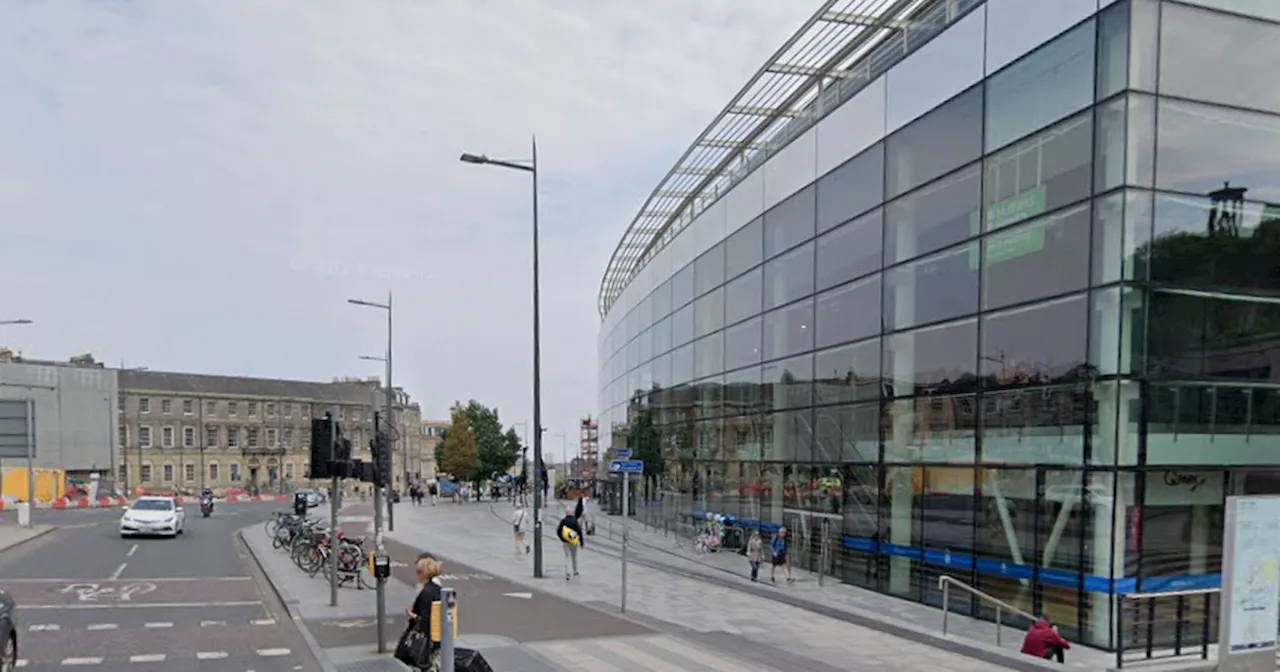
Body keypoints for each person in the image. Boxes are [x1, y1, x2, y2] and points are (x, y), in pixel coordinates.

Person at [403, 554, 444, 671]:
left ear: (422, 573)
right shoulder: (439, 589)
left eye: (417, 572)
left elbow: (425, 620)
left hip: (427, 641)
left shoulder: (426, 592)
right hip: (439, 637)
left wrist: (412, 615)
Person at [556, 505, 585, 580]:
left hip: (566, 542)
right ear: (572, 513)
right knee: (574, 557)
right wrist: (581, 542)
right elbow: (579, 532)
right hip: (574, 542)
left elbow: (558, 531)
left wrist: (562, 539)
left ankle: (567, 573)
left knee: (567, 557)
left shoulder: (563, 521)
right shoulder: (575, 521)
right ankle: (575, 571)